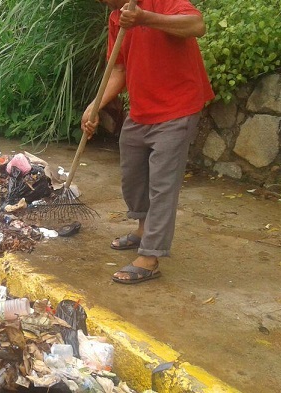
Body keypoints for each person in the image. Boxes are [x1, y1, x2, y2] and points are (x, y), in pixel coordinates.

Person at [81, 0, 214, 284]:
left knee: (162, 185)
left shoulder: (160, 3)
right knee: (133, 175)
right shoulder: (118, 18)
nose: (104, 3)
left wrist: (144, 18)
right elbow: (119, 70)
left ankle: (151, 257)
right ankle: (143, 229)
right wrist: (95, 106)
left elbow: (196, 25)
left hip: (178, 107)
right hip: (141, 110)